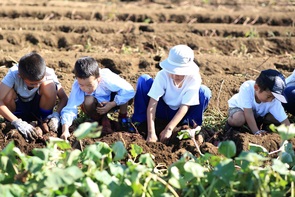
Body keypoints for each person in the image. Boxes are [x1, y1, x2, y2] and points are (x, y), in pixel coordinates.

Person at [132, 44, 211, 143]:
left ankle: (192, 127)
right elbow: (152, 103)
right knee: (144, 80)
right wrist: (151, 132)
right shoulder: (163, 75)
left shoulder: (194, 78)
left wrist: (169, 129)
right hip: (162, 110)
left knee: (204, 92)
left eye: (179, 72)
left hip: (183, 113)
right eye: (172, 70)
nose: (174, 75)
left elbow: (185, 106)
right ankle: (139, 123)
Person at [60, 56, 135, 140]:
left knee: (123, 93)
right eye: (82, 85)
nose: (86, 89)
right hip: (93, 107)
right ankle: (96, 119)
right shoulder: (77, 85)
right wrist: (65, 130)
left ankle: (123, 118)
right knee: (88, 99)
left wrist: (112, 104)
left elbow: (129, 90)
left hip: (112, 102)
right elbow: (70, 108)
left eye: (89, 85)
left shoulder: (107, 78)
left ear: (98, 78)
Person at [0, 52, 68, 141]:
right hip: (18, 109)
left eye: (39, 82)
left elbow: (64, 98)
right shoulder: (13, 74)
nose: (36, 85)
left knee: (50, 86)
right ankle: (12, 123)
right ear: (20, 76)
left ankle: (44, 120)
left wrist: (56, 115)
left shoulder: (48, 73)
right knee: (6, 94)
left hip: (38, 107)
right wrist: (17, 122)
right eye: (32, 84)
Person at [227, 69, 290, 135]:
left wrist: (291, 134)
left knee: (276, 118)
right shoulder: (247, 88)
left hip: (258, 115)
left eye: (274, 97)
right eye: (268, 96)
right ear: (256, 88)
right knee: (239, 119)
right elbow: (248, 113)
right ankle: (229, 125)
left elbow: (284, 119)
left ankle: (259, 124)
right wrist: (256, 132)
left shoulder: (273, 99)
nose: (271, 100)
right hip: (240, 109)